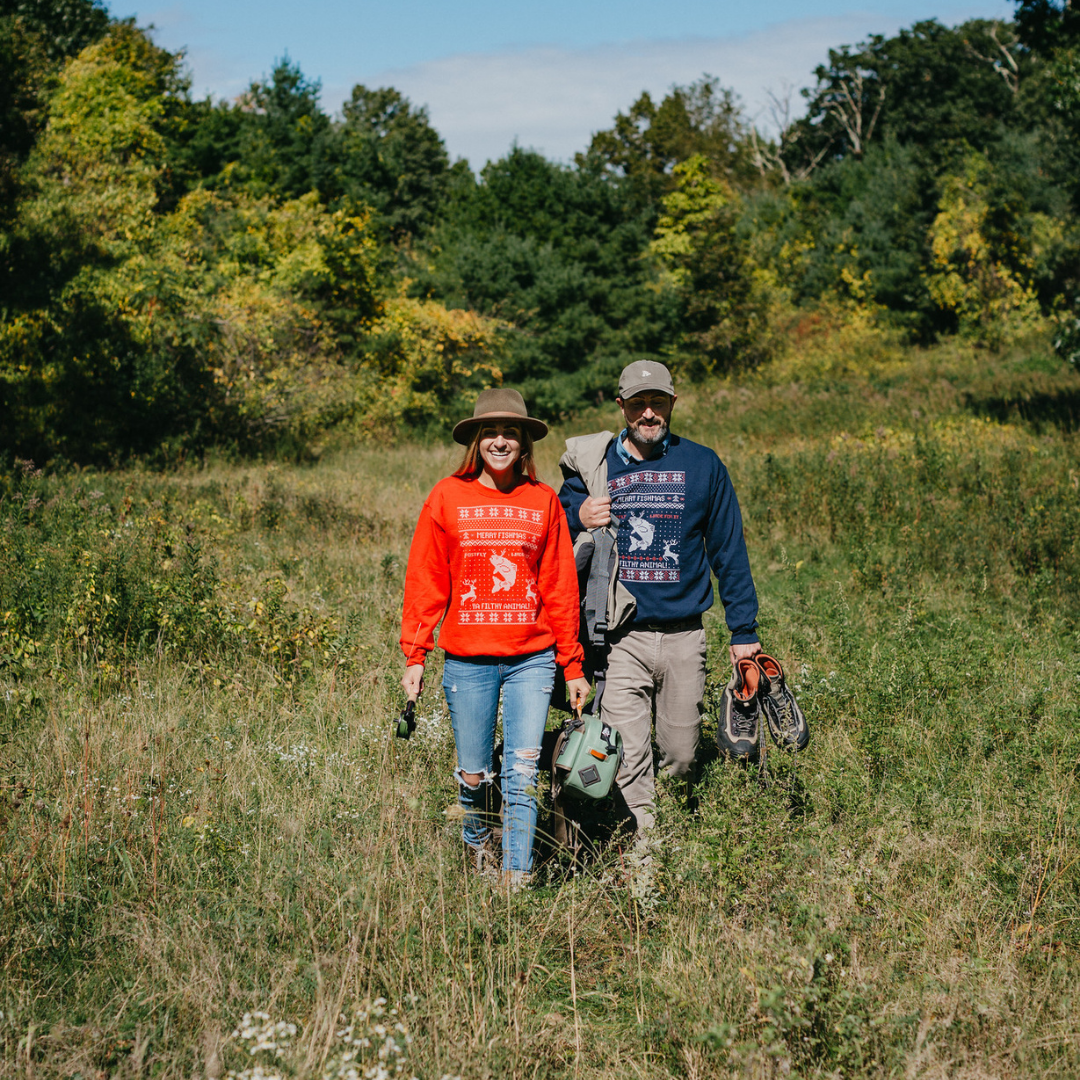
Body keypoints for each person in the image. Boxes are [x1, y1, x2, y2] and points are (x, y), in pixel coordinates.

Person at [558, 360, 760, 836]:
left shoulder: (703, 465)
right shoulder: (595, 467)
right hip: (620, 639)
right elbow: (553, 523)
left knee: (683, 754)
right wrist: (578, 514)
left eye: (658, 403)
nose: (648, 413)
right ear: (621, 406)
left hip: (684, 634)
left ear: (673, 403)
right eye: (637, 404)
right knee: (626, 759)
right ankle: (644, 864)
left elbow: (728, 549)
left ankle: (674, 834)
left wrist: (744, 630)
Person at [401, 387, 590, 888]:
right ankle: (477, 846)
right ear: (477, 441)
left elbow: (559, 585)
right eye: (492, 433)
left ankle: (516, 878)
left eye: (512, 433)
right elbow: (426, 578)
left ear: (525, 442)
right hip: (468, 660)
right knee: (474, 776)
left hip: (532, 658)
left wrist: (572, 664)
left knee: (522, 774)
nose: (501, 441)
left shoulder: (543, 500)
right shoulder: (447, 496)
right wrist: (415, 655)